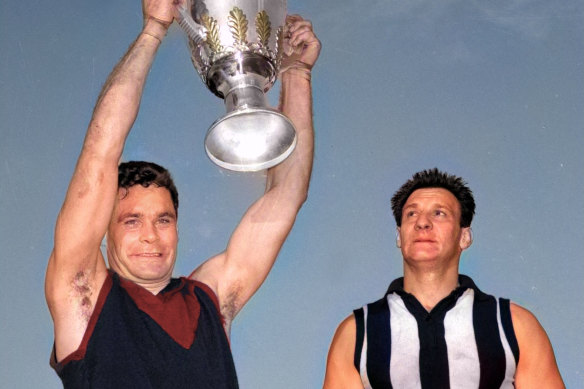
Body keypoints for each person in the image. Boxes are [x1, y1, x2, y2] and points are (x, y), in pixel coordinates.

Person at [44, 0, 320, 387]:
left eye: (163, 219)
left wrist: (296, 73)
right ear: (104, 231)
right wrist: (153, 31)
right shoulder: (83, 296)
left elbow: (288, 194)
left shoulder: (209, 299)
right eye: (132, 220)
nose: (151, 236)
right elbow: (99, 154)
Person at [323, 168, 564, 389]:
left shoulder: (515, 325)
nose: (422, 223)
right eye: (411, 214)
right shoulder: (356, 333)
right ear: (399, 236)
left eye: (439, 213)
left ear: (465, 236)